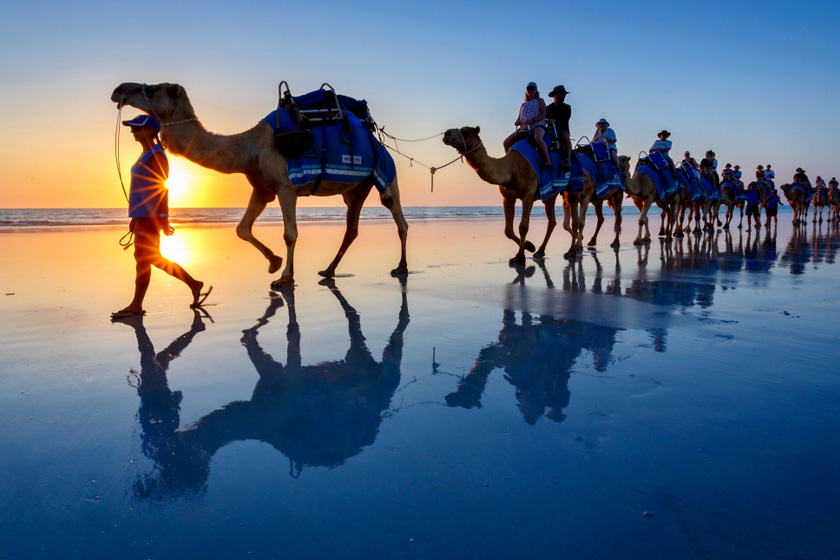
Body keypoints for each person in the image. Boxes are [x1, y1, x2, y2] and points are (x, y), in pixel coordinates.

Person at [111, 115, 211, 319]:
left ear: (149, 131)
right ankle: (193, 284)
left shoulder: (157, 154)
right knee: (148, 258)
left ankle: (137, 305)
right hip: (143, 215)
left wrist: (163, 219)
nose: (133, 131)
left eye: (137, 128)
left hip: (150, 216)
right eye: (133, 128)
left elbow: (162, 188)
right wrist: (135, 216)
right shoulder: (145, 153)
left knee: (144, 259)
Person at [504, 82, 550, 165]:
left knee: (537, 137)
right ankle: (509, 162)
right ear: (526, 91)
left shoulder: (540, 100)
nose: (531, 90)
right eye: (529, 89)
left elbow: (543, 114)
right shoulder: (523, 105)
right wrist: (517, 122)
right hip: (523, 128)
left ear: (536, 90)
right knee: (506, 142)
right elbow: (519, 118)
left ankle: (547, 159)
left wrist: (532, 120)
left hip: (537, 125)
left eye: (532, 88)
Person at [545, 85, 571, 168]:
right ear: (554, 95)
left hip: (562, 129)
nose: (562, 96)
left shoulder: (567, 107)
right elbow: (543, 118)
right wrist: (547, 120)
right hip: (549, 130)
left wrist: (554, 121)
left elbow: (565, 119)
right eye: (560, 94)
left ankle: (567, 159)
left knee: (565, 137)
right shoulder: (548, 108)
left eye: (563, 94)